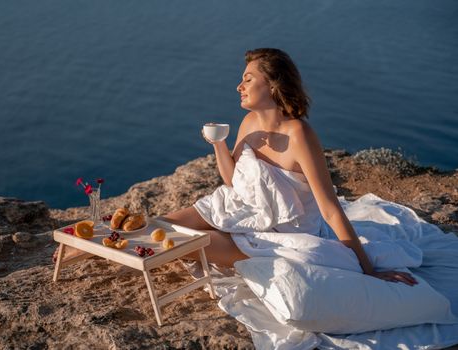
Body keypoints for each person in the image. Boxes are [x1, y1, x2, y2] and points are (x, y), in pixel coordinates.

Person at [161, 48, 417, 286]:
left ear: (273, 84)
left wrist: (368, 269)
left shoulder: (299, 134)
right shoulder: (249, 122)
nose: (239, 86)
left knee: (180, 242)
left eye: (248, 79)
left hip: (276, 233)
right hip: (241, 209)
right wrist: (219, 144)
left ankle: (227, 243)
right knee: (158, 226)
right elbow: (233, 183)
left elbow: (329, 209)